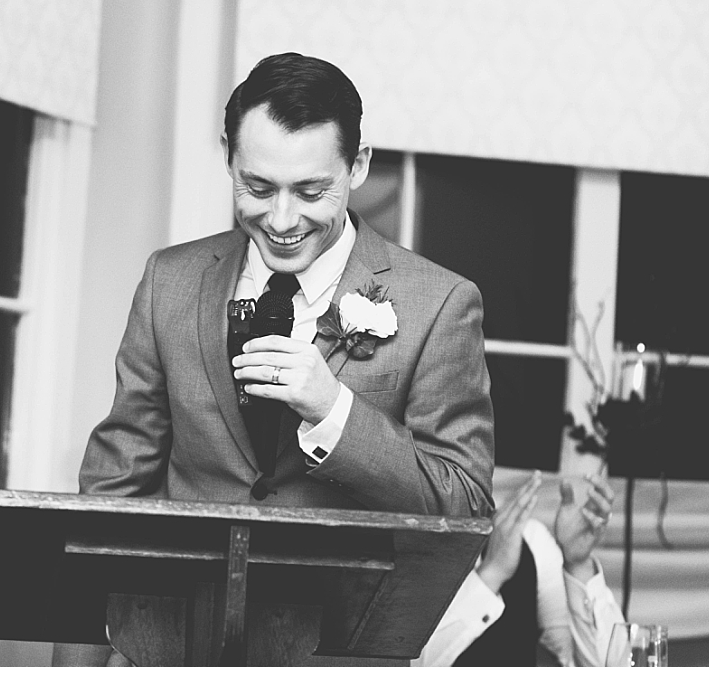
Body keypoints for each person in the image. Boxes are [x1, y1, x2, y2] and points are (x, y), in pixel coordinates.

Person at [77, 52, 495, 517]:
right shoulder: (169, 280)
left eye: (310, 192)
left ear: (357, 165)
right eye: (258, 188)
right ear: (229, 156)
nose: (281, 220)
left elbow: (465, 505)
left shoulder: (441, 305)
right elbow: (113, 487)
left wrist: (333, 410)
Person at [413, 471, 624, 667]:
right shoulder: (405, 543)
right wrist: (491, 574)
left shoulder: (529, 539)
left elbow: (604, 666)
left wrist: (578, 566)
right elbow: (405, 663)